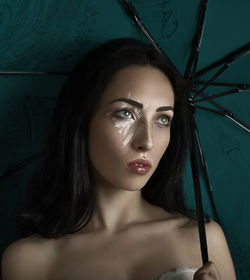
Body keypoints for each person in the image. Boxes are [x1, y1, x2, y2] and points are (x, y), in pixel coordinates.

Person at [1, 38, 236, 280]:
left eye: (163, 119)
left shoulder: (204, 239)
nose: (147, 141)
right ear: (82, 120)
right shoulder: (28, 260)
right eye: (125, 113)